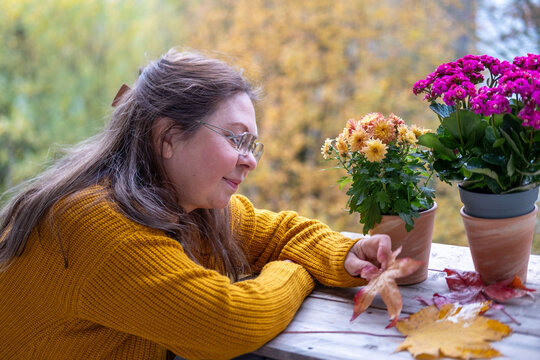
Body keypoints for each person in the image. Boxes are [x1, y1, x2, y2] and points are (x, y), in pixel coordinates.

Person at [0, 48, 391, 360]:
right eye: (235, 139)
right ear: (168, 137)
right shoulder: (96, 224)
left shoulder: (188, 205)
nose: (250, 160)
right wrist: (296, 271)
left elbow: (278, 232)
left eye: (252, 145)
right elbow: (231, 323)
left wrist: (346, 253)